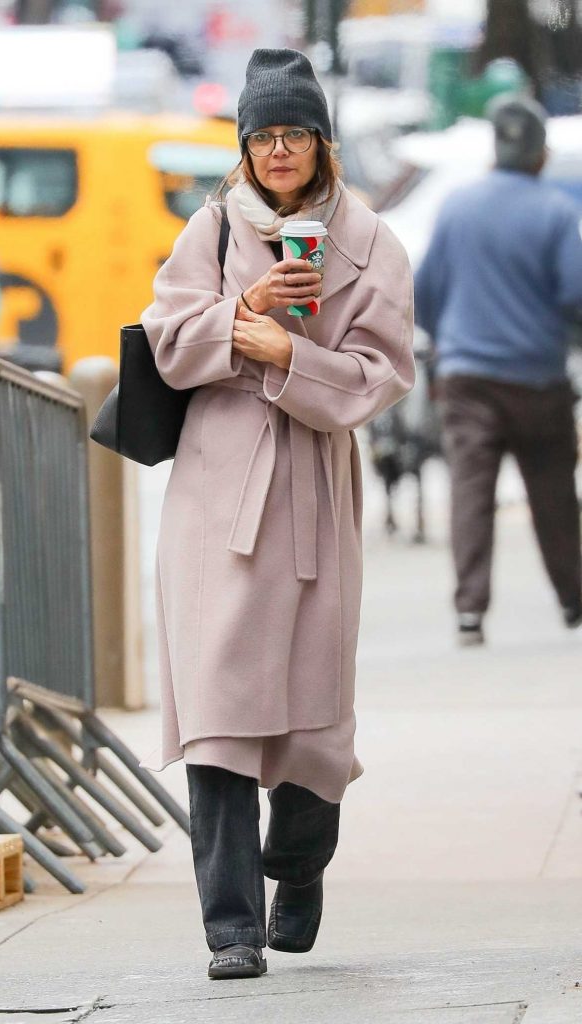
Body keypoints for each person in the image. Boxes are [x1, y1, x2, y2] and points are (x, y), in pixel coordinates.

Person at [140, 48, 414, 979]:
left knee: (308, 720)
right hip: (214, 499)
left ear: (323, 141)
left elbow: (384, 378)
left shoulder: (370, 242)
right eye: (263, 135)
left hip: (309, 499)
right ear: (245, 146)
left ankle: (298, 868)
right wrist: (240, 313)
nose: (279, 149)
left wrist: (293, 359)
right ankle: (230, 928)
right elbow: (169, 346)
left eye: (295, 132)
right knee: (217, 712)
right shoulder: (211, 230)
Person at [414, 95, 582, 647]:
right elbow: (574, 295)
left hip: (468, 378)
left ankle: (469, 611)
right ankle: (573, 598)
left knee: (470, 493)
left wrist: (445, 349)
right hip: (538, 380)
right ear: (537, 153)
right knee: (554, 495)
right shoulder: (556, 212)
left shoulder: (458, 205)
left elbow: (424, 291)